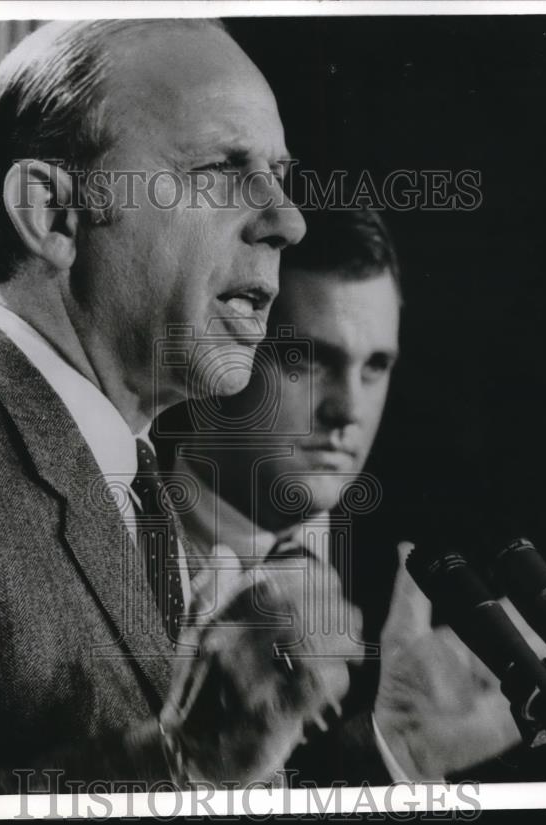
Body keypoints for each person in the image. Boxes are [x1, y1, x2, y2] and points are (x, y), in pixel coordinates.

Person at [0, 19, 359, 796]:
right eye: (222, 168)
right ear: (51, 214)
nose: (288, 220)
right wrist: (185, 764)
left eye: (281, 175)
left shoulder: (134, 489)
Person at [156, 208, 524, 782]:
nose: (349, 410)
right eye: (308, 359)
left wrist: (399, 758)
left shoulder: (443, 613)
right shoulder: (94, 537)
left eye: (375, 366)